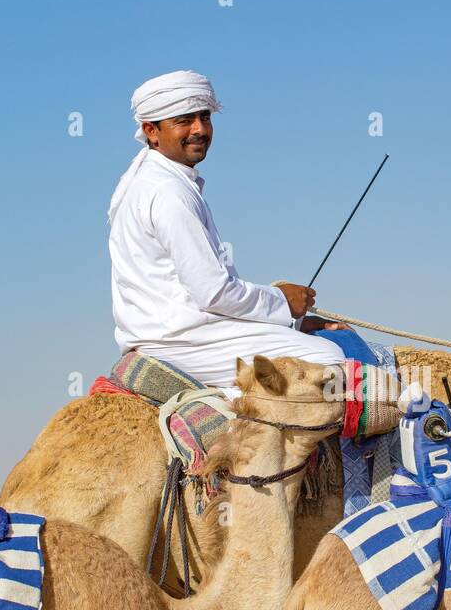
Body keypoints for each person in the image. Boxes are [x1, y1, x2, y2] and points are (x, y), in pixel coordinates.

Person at [107, 70, 356, 390]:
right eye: (184, 120)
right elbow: (213, 292)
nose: (199, 129)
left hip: (182, 332)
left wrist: (291, 321)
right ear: (151, 131)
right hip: (180, 342)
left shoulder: (158, 183)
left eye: (205, 117)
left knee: (305, 340)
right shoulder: (168, 193)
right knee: (329, 357)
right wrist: (282, 301)